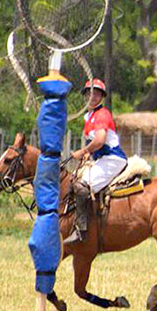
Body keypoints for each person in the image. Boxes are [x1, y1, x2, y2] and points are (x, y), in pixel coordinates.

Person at [64, 79, 128, 245]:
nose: (93, 96)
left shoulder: (102, 114)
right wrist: (88, 155)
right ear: (86, 95)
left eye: (97, 93)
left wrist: (82, 152)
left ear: (102, 97)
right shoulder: (89, 116)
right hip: (101, 158)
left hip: (112, 159)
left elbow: (99, 141)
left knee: (80, 186)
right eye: (90, 93)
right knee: (72, 181)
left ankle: (81, 230)